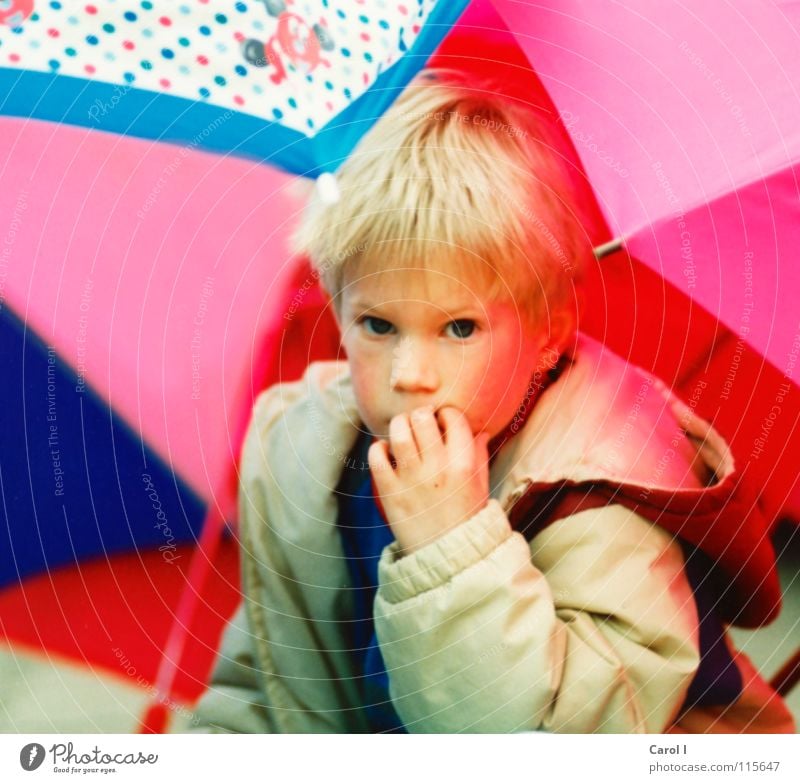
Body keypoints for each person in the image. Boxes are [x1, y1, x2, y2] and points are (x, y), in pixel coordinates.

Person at [186, 69, 795, 733]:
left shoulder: (604, 496)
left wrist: (451, 548)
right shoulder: (309, 459)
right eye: (378, 324)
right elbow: (270, 682)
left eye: (460, 327)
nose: (410, 373)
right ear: (337, 308)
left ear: (548, 329)